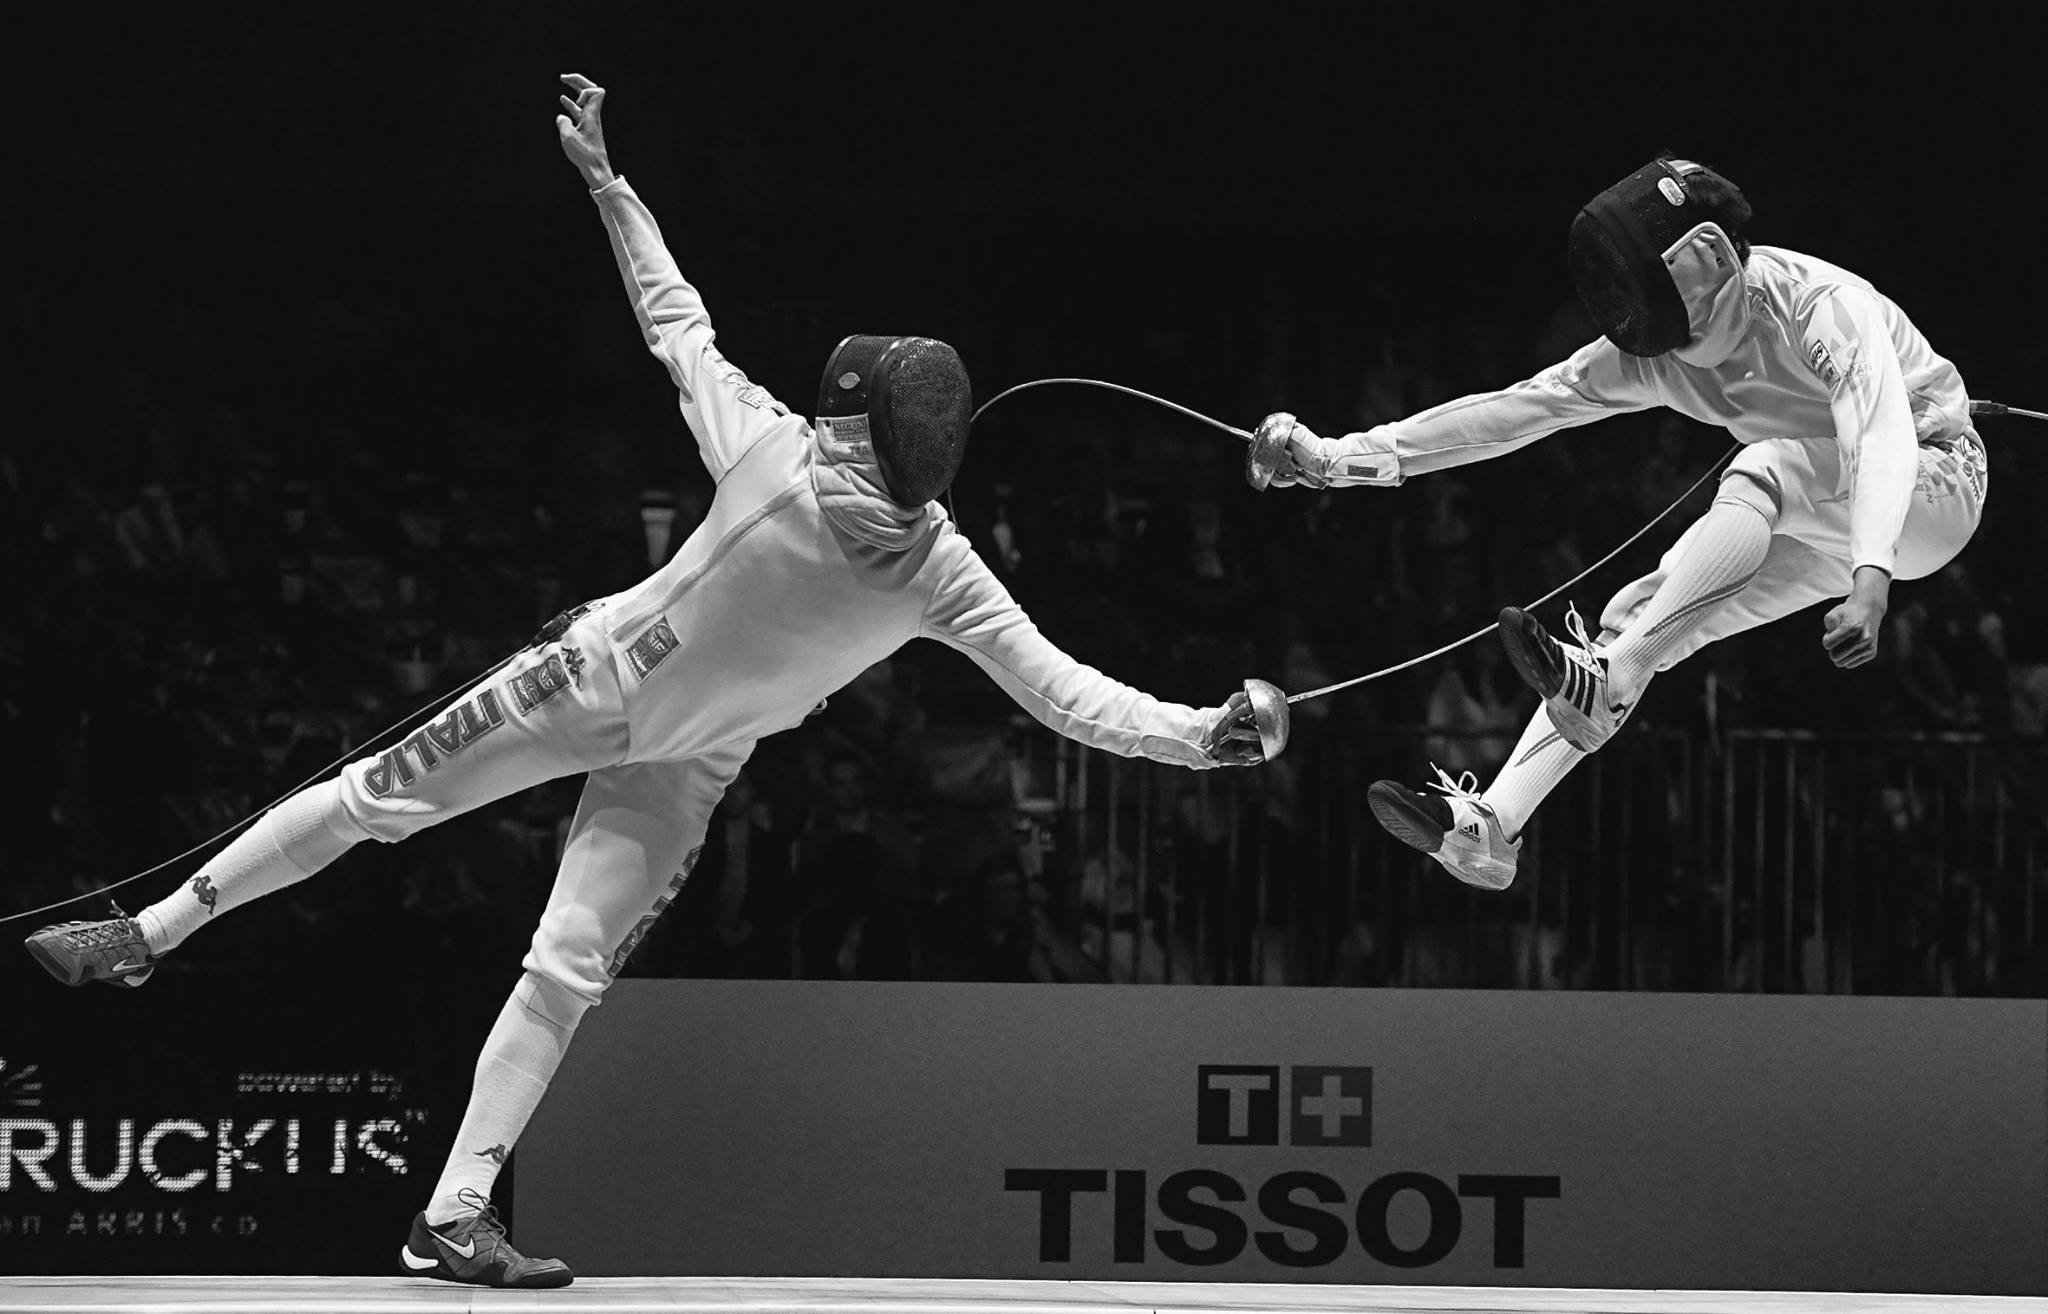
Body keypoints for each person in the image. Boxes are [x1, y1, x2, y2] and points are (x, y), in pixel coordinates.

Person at [22, 74, 1270, 1289]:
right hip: (588, 678)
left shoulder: (883, 531)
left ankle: (450, 1216)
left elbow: (1064, 692)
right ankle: (145, 935)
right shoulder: (825, 485)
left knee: (560, 968)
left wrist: (1199, 734)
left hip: (685, 763)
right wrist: (610, 185)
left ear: (858, 434)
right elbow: (678, 320)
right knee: (371, 803)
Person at [1267, 155, 1987, 891]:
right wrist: (1339, 460)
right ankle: (1493, 828)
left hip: (1933, 485)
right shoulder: (1656, 356)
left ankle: (1609, 677)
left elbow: (1880, 438)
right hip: (1828, 519)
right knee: (1640, 618)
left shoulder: (1820, 305)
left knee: (1763, 470)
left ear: (1705, 254)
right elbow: (1518, 409)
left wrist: (1871, 580)